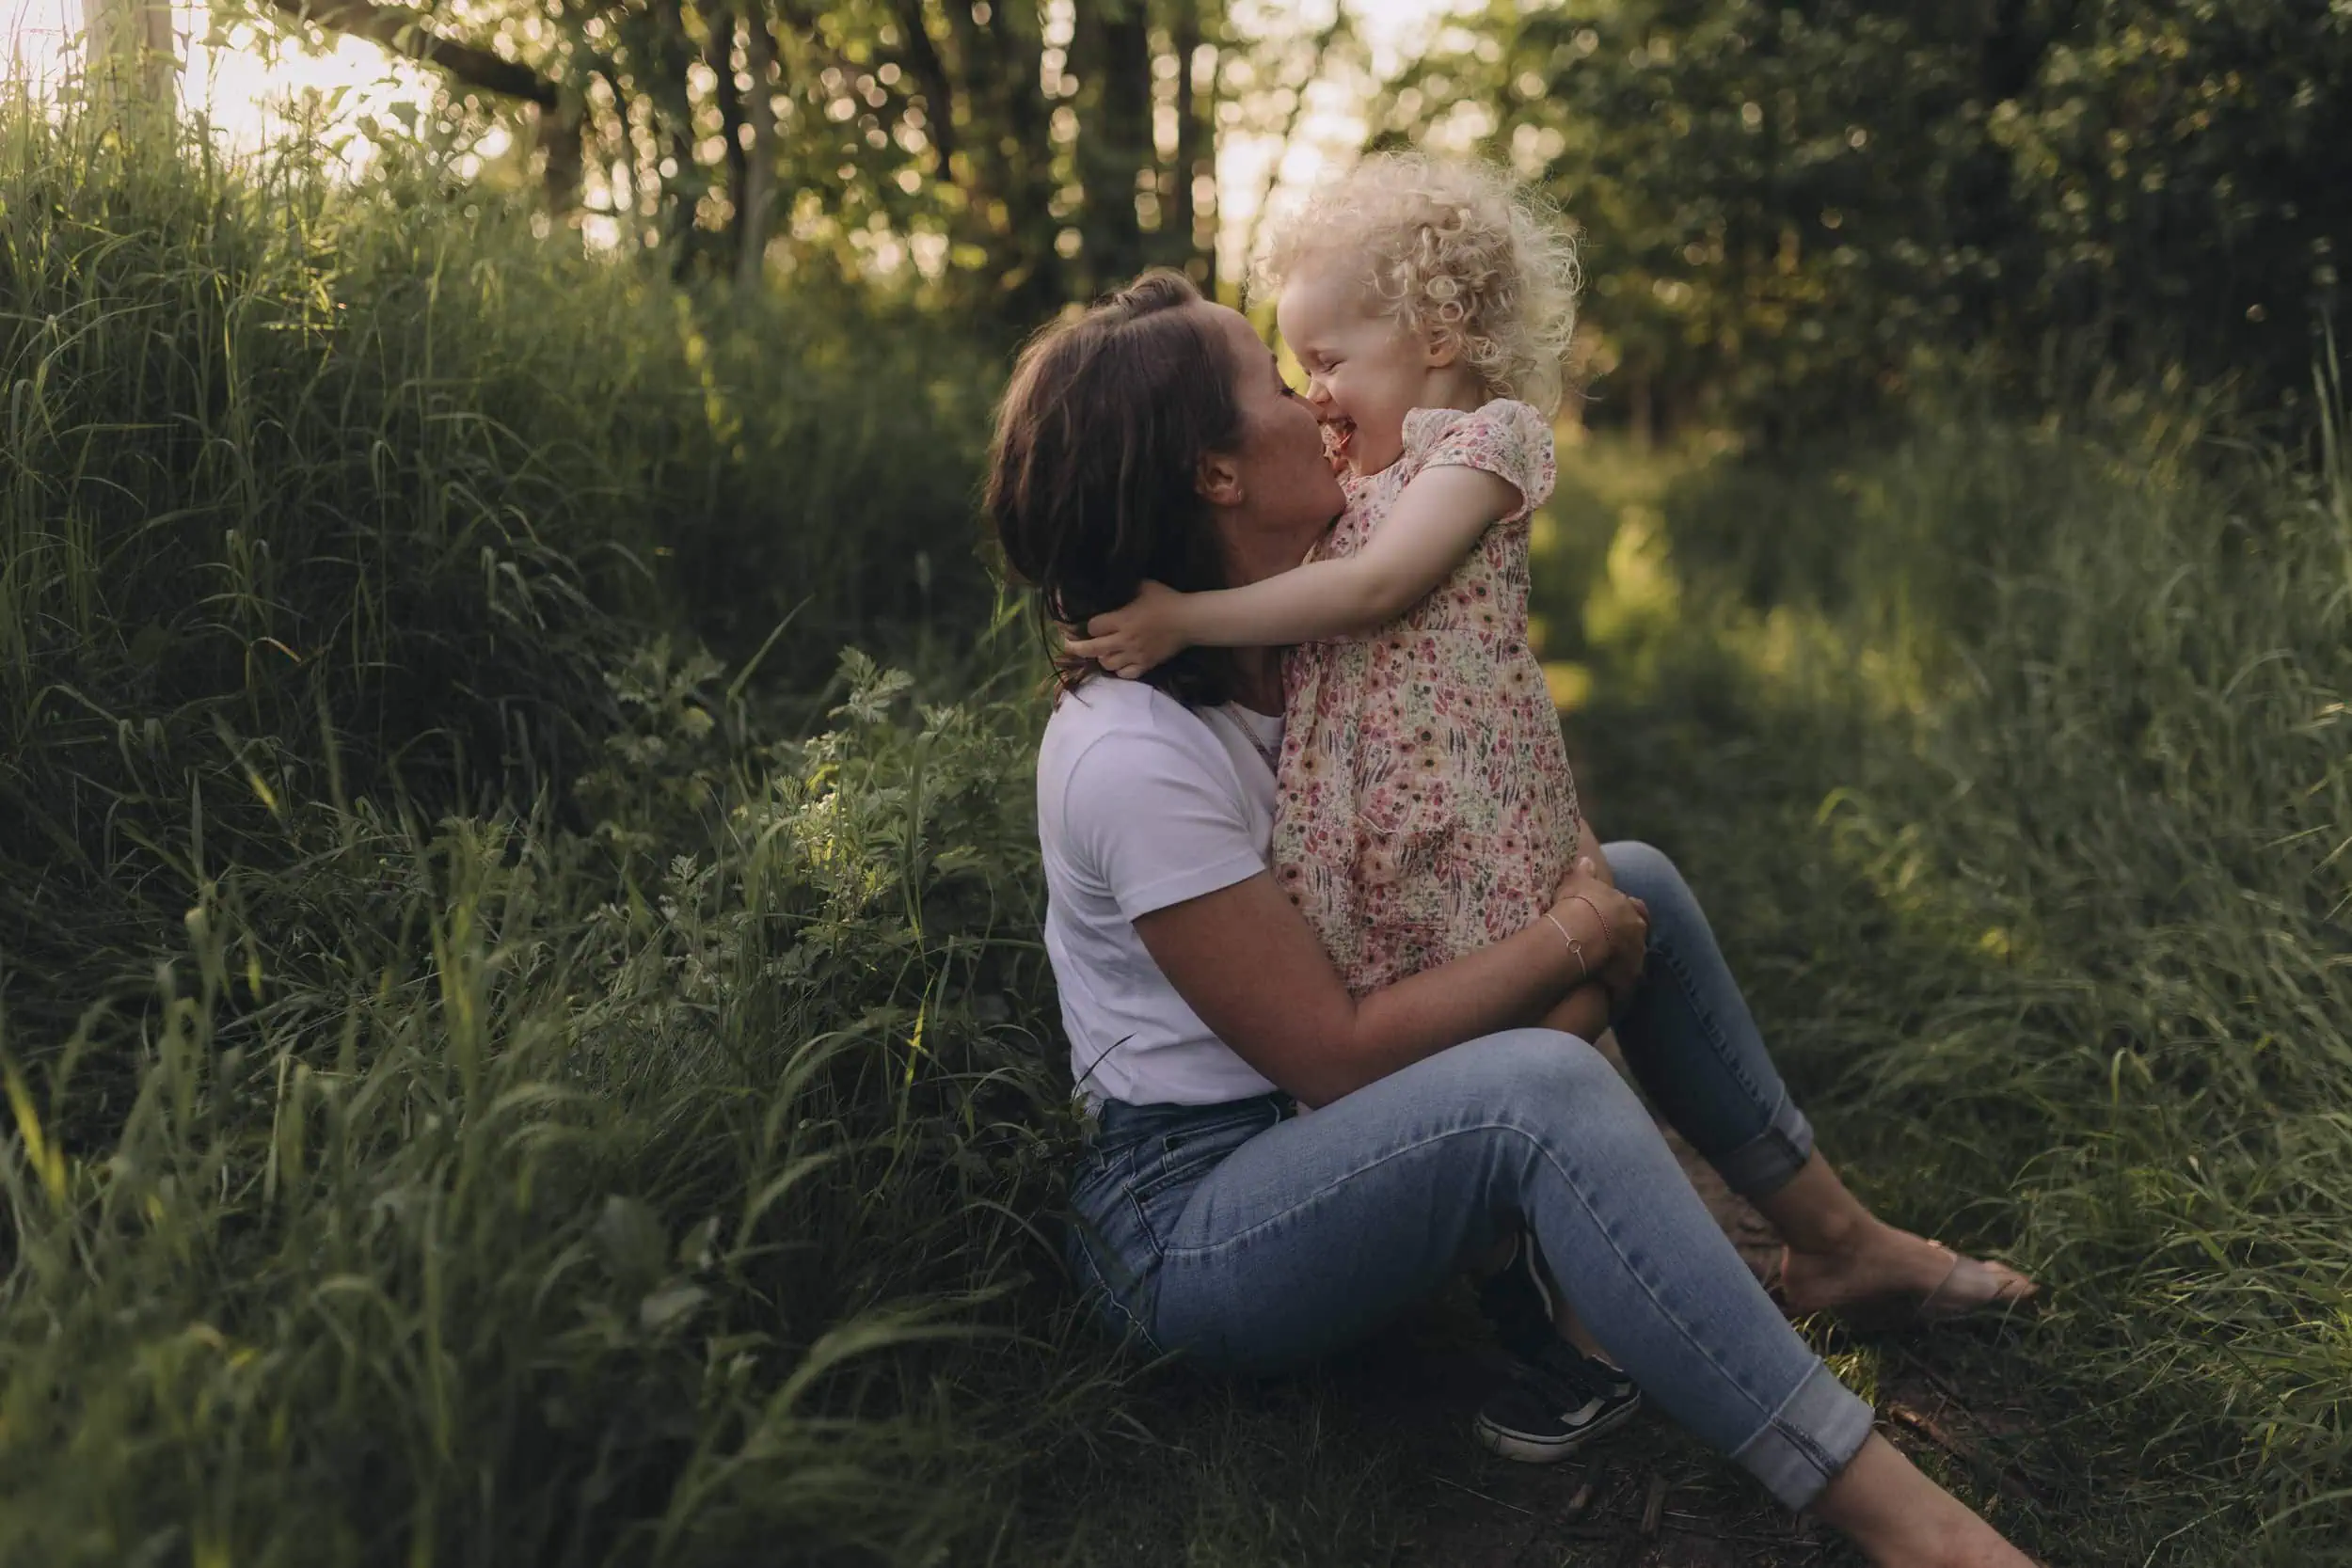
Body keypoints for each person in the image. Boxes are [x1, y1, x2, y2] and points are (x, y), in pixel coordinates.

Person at [987, 267, 2040, 1566]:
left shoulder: (1319, 615)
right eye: (1272, 380)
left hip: (1323, 1127)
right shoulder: (1130, 752)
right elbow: (1340, 1051)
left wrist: (1590, 890)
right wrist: (1574, 947)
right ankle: (1902, 1518)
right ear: (1214, 474)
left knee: (1635, 872)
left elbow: (1491, 769)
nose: (1312, 397)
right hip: (1199, 1216)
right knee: (1536, 1087)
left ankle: (1835, 1246)